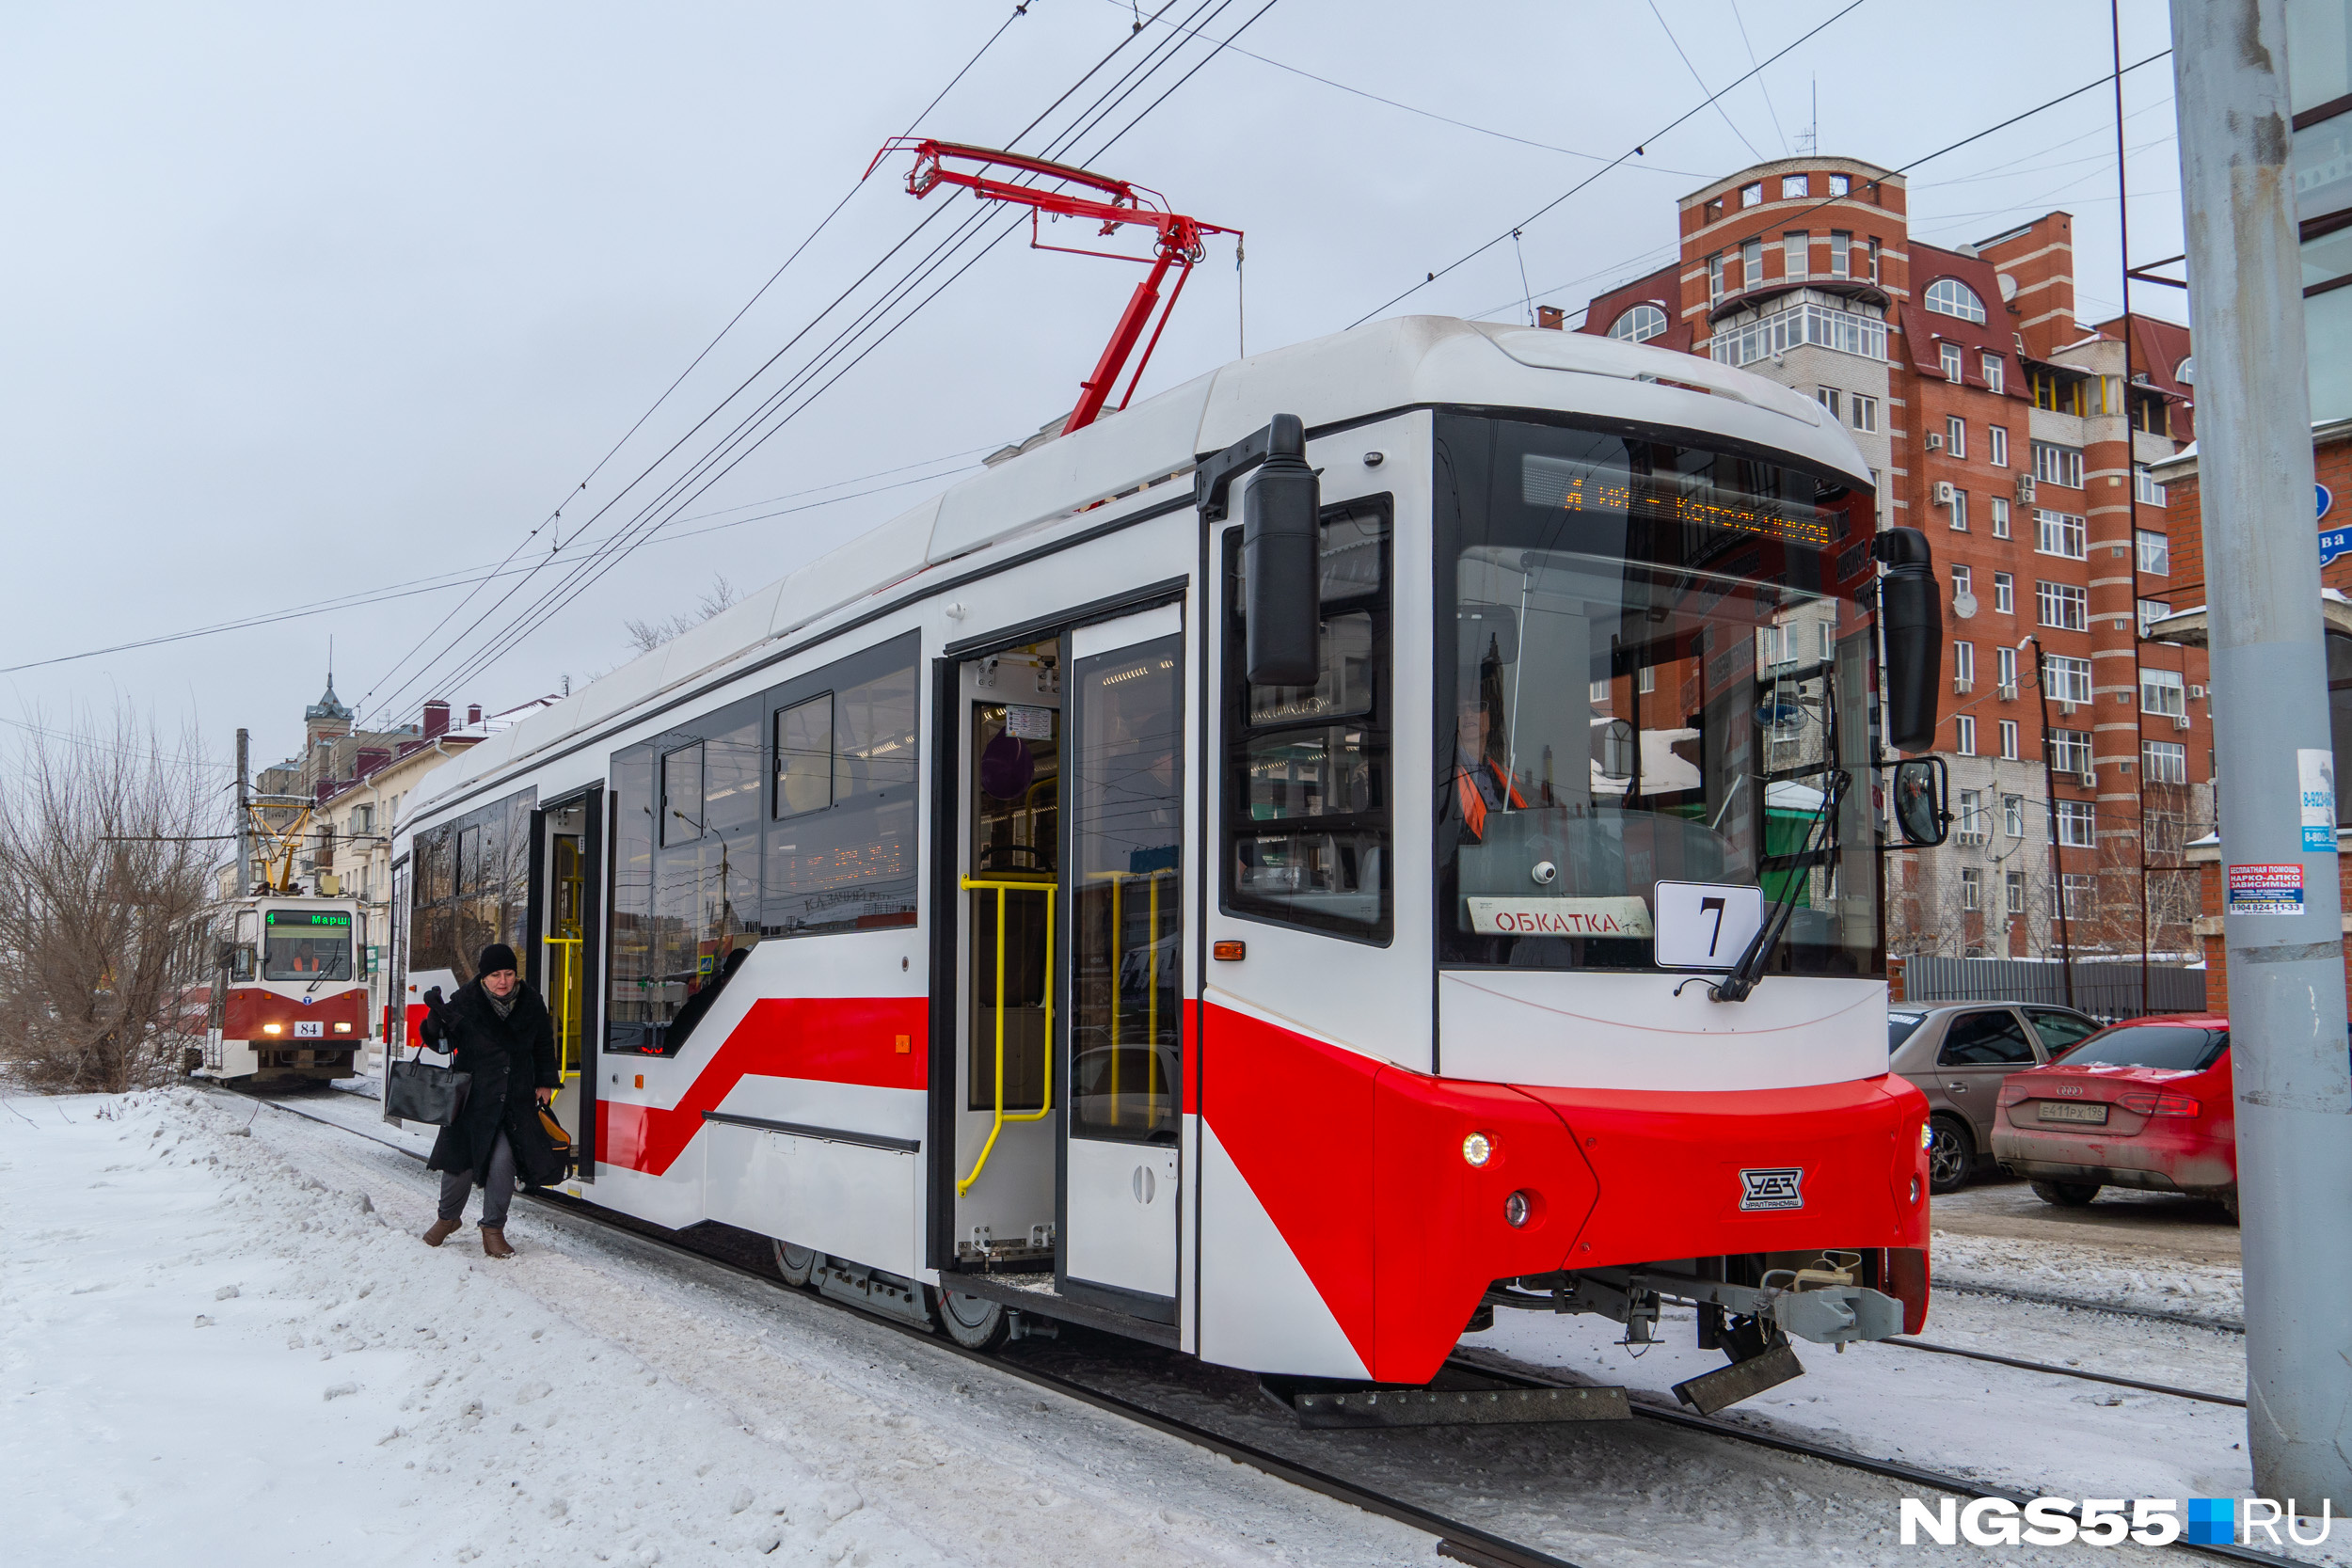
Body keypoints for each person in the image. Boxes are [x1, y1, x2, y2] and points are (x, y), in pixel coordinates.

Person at [419, 943, 564, 1259]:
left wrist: (545, 1081)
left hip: (514, 1099)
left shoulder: (531, 1002)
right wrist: (436, 1018)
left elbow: (543, 1043)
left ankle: (493, 1228)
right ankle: (447, 1219)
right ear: (484, 977)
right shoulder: (465, 1002)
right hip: (473, 1100)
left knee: (502, 1164)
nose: (503, 981)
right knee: (460, 1165)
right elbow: (443, 1045)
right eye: (495, 974)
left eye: (509, 973)